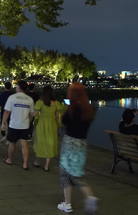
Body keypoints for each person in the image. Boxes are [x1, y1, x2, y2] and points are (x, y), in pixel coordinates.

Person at [57, 83, 99, 214]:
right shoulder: (88, 109)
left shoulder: (72, 109)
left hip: (70, 143)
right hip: (82, 144)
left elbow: (63, 121)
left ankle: (74, 202)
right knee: (76, 172)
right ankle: (74, 201)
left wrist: (67, 108)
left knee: (66, 173)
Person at [1, 80, 35, 170]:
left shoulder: (12, 98)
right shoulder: (29, 99)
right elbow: (31, 114)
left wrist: (3, 123)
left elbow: (7, 112)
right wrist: (29, 122)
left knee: (12, 143)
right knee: (24, 144)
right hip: (24, 125)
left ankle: (10, 160)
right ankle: (25, 164)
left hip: (14, 125)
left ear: (19, 87)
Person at [31, 85, 61, 172]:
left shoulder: (40, 102)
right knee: (50, 144)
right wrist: (56, 125)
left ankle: (37, 161)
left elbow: (34, 114)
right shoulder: (57, 104)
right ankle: (46, 166)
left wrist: (28, 114)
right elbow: (57, 117)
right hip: (52, 125)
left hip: (42, 124)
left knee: (39, 142)